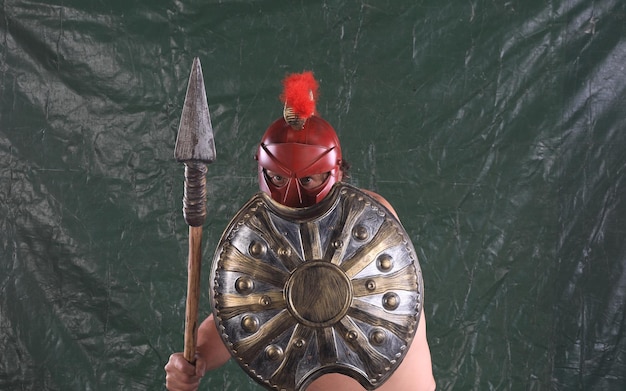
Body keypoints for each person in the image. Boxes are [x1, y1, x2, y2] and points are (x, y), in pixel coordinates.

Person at [165, 72, 436, 391]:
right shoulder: (261, 240)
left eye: (308, 180)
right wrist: (193, 359)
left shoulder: (370, 219)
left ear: (337, 172)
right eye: (277, 179)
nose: (292, 192)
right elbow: (237, 317)